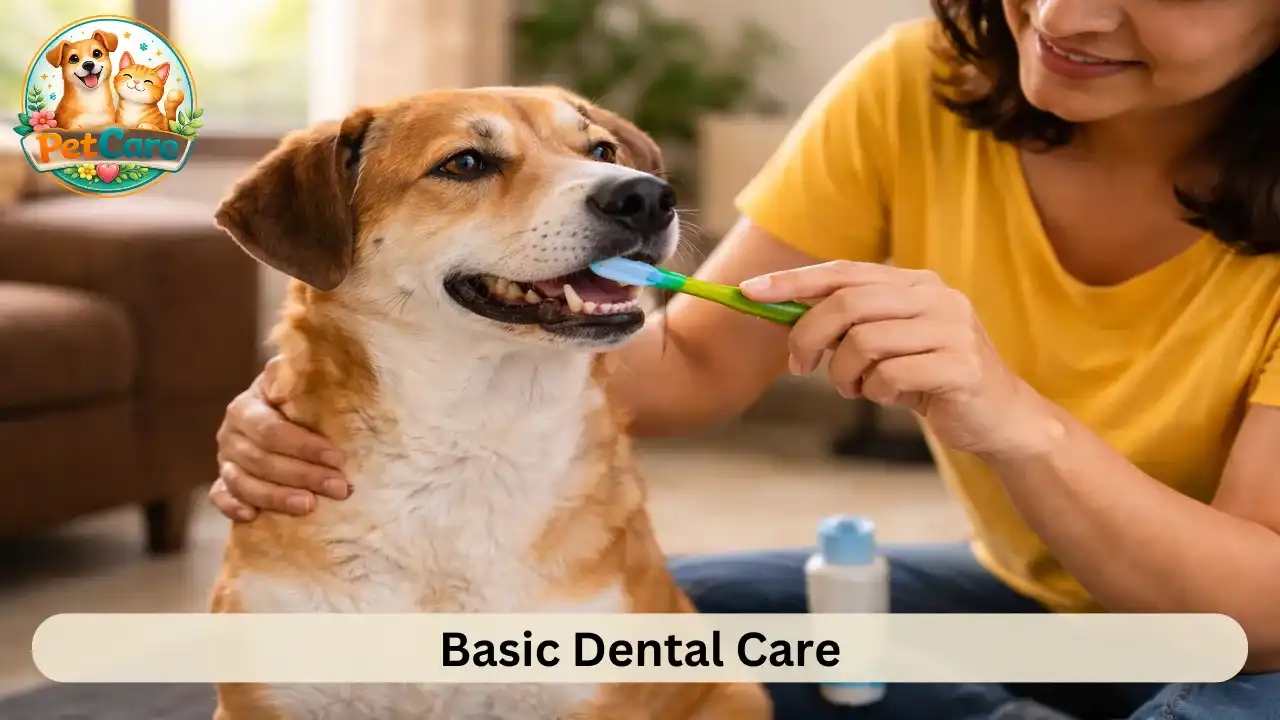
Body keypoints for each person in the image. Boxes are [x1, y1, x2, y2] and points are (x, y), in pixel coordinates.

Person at [207, 0, 1280, 717]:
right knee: (645, 627)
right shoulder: (923, 86)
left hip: (1247, 640)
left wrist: (1006, 412)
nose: (1064, 14)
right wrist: (330, 379)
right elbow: (691, 365)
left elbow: (1251, 620)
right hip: (1026, 592)